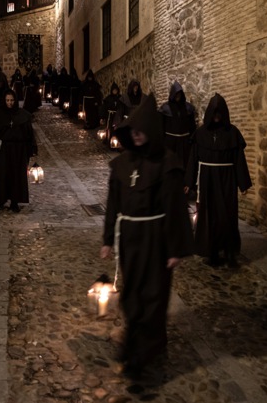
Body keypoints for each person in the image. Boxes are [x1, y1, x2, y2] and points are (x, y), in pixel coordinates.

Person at [100, 93, 194, 378]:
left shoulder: (167, 163)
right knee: (132, 294)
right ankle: (137, 343)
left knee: (154, 294)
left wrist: (175, 248)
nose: (136, 135)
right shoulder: (121, 164)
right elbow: (113, 203)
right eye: (133, 130)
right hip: (130, 237)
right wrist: (107, 239)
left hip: (156, 237)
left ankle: (144, 352)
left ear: (151, 130)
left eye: (141, 130)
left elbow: (175, 207)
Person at [184, 93, 252, 268]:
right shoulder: (200, 133)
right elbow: (193, 159)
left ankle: (229, 252)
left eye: (219, 113)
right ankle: (212, 251)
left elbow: (239, 159)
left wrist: (243, 183)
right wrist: (188, 182)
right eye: (214, 113)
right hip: (207, 179)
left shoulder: (232, 133)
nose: (216, 116)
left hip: (227, 179)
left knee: (228, 214)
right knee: (209, 216)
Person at [0, 89, 37, 212]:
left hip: (19, 150)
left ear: (15, 101)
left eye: (12, 100)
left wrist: (31, 149)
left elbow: (29, 134)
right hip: (5, 149)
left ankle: (15, 201)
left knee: (17, 175)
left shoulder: (23, 115)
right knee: (3, 174)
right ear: (4, 101)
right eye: (7, 100)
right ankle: (2, 199)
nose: (10, 103)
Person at [159, 81, 197, 169]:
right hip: (170, 143)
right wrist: (162, 141)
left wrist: (191, 139)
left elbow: (192, 126)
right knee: (171, 165)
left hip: (184, 142)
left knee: (185, 165)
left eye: (179, 94)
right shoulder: (165, 108)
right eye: (176, 94)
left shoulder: (187, 108)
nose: (178, 96)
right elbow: (161, 126)